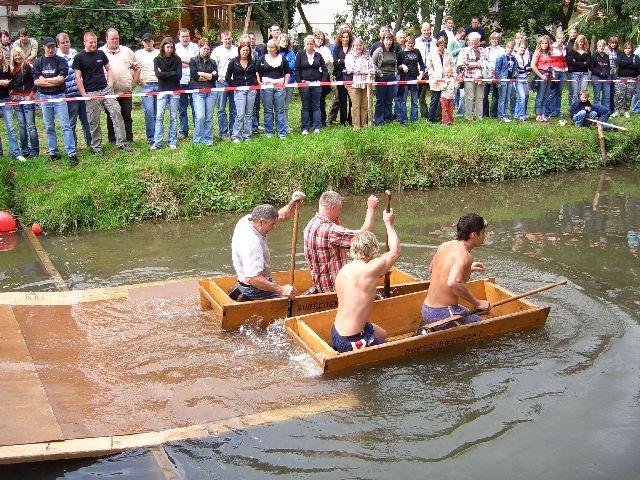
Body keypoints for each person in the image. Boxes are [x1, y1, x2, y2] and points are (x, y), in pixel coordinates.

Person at [331, 208, 399, 353]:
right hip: (352, 340)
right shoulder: (370, 270)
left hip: (336, 333)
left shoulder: (344, 270)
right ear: (373, 249)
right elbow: (394, 252)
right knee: (392, 352)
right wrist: (388, 223)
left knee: (383, 334)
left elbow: (359, 287)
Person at [420, 213, 490, 332]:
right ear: (473, 235)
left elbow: (431, 268)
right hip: (443, 314)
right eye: (483, 233)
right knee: (487, 328)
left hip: (427, 309)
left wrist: (467, 268)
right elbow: (453, 283)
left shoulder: (445, 245)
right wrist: (478, 302)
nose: (484, 237)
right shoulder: (465, 255)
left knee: (470, 313)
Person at [231, 191, 305, 301]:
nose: (274, 227)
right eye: (272, 224)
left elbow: (281, 216)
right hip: (254, 289)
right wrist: (281, 289)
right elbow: (252, 278)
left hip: (251, 282)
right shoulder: (252, 243)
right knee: (290, 300)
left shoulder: (248, 219)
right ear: (261, 222)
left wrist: (292, 203)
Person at [304, 191, 379, 294]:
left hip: (320, 284)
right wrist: (371, 208)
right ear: (333, 208)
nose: (339, 212)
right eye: (339, 209)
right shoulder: (332, 231)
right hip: (334, 288)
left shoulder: (310, 224)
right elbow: (364, 235)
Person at [73, 31, 133, 155]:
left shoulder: (100, 53)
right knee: (94, 121)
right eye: (91, 42)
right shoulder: (79, 57)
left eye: (95, 42)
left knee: (117, 112)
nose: (93, 44)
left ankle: (122, 142)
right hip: (91, 93)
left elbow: (108, 69)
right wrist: (84, 94)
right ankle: (97, 147)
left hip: (106, 90)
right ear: (84, 42)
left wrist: (109, 84)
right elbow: (78, 77)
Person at [34, 37, 78, 166]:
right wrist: (53, 80)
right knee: (49, 126)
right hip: (44, 97)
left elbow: (61, 80)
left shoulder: (61, 60)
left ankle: (71, 153)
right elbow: (36, 82)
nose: (51, 49)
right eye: (48, 47)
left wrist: (45, 80)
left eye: (53, 46)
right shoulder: (38, 62)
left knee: (65, 125)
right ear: (44, 47)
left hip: (59, 95)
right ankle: (53, 152)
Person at [100, 28, 138, 144]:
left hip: (125, 90)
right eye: (112, 39)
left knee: (126, 115)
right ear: (106, 39)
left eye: (117, 38)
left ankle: (128, 138)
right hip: (109, 92)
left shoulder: (127, 51)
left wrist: (134, 83)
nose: (115, 40)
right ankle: (113, 139)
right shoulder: (100, 52)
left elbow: (136, 67)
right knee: (111, 115)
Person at [57, 32, 91, 149]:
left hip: (81, 92)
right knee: (71, 122)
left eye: (67, 42)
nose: (66, 44)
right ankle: (73, 146)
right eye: (63, 43)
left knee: (86, 121)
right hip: (68, 95)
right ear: (58, 45)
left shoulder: (76, 53)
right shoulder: (57, 57)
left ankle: (91, 144)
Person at [152, 37, 181, 150]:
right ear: (163, 47)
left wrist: (164, 73)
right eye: (168, 47)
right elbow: (158, 75)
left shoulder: (177, 59)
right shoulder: (157, 59)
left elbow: (179, 76)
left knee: (173, 116)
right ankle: (158, 142)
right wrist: (172, 73)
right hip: (162, 90)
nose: (170, 49)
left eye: (171, 47)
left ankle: (172, 141)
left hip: (175, 90)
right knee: (159, 116)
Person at [256, 39, 290, 139]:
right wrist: (259, 81)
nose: (269, 49)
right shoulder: (262, 58)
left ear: (276, 48)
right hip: (266, 87)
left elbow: (287, 72)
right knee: (268, 110)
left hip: (279, 86)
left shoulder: (282, 58)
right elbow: (257, 71)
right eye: (268, 47)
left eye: (272, 47)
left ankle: (281, 133)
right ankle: (269, 133)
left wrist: (285, 83)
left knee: (280, 110)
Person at [9, 46, 39, 158]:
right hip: (17, 100)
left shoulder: (28, 66)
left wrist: (31, 95)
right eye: (15, 55)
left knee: (31, 125)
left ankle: (35, 150)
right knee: (21, 125)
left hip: (27, 99)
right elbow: (12, 85)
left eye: (19, 55)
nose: (17, 57)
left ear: (22, 54)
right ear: (13, 57)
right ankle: (25, 149)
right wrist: (11, 93)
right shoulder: (11, 69)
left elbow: (36, 82)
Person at [295, 35, 327, 134]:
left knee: (316, 106)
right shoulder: (300, 54)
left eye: (311, 44)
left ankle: (317, 126)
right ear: (305, 44)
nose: (309, 45)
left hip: (316, 84)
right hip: (304, 85)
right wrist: (299, 82)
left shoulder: (318, 55)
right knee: (305, 106)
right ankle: (305, 127)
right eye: (307, 44)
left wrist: (322, 82)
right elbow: (297, 69)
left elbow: (325, 70)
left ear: (314, 45)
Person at [227, 42, 258, 142]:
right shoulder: (233, 62)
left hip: (251, 90)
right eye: (243, 50)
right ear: (239, 50)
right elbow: (228, 77)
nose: (245, 52)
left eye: (247, 50)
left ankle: (247, 135)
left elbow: (256, 75)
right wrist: (235, 85)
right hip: (239, 91)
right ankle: (236, 135)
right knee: (240, 114)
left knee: (249, 114)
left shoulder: (252, 62)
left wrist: (254, 83)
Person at [190, 38, 217, 146]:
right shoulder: (193, 60)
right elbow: (194, 76)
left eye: (208, 49)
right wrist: (208, 76)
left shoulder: (213, 62)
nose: (206, 51)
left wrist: (202, 73)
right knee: (200, 116)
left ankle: (208, 139)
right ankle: (197, 140)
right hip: (198, 92)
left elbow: (214, 77)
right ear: (199, 48)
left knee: (209, 117)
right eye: (204, 48)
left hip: (211, 92)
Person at [212, 31, 238, 140]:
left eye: (229, 39)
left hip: (233, 82)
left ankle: (233, 131)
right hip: (221, 82)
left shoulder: (236, 50)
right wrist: (219, 78)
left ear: (232, 39)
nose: (227, 41)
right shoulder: (216, 51)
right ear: (221, 39)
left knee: (234, 109)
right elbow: (213, 67)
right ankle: (223, 132)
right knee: (221, 108)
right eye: (225, 39)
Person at [344, 37, 374, 130]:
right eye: (356, 45)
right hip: (353, 84)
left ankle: (363, 124)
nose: (358, 47)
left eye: (360, 45)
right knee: (356, 105)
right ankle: (356, 126)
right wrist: (363, 71)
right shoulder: (349, 56)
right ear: (353, 46)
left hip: (366, 84)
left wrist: (369, 71)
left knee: (364, 104)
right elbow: (349, 68)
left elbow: (372, 68)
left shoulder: (367, 56)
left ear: (363, 46)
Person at [134, 33, 159, 145]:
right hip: (146, 85)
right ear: (142, 42)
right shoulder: (138, 54)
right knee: (149, 111)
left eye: (149, 41)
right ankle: (151, 137)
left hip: (159, 84)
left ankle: (158, 135)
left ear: (153, 41)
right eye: (145, 41)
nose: (147, 43)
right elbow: (133, 69)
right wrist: (140, 81)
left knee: (158, 112)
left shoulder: (159, 52)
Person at [457, 32, 487, 121]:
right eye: (472, 41)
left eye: (476, 41)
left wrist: (475, 64)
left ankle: (479, 117)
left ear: (479, 41)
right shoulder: (464, 50)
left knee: (480, 98)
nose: (474, 43)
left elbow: (486, 62)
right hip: (469, 77)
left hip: (480, 77)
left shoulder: (483, 50)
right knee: (469, 97)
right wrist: (477, 64)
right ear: (469, 41)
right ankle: (469, 116)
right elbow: (462, 63)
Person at [175, 28, 199, 139]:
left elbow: (196, 62)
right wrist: (189, 63)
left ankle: (197, 129)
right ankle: (183, 131)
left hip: (194, 81)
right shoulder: (175, 47)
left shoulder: (195, 47)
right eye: (183, 36)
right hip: (181, 81)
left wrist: (183, 62)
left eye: (187, 36)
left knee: (196, 107)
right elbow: (175, 63)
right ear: (179, 37)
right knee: (182, 108)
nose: (185, 38)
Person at [396, 35, 425, 126]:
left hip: (415, 78)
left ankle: (414, 120)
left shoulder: (417, 51)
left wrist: (421, 75)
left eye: (412, 43)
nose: (410, 45)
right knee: (403, 100)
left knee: (415, 100)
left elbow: (422, 65)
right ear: (405, 43)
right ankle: (403, 120)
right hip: (404, 78)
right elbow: (397, 66)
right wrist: (402, 66)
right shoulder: (401, 53)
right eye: (409, 43)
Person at [0, 51, 23, 161]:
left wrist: (7, 83)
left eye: (0, 53)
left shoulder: (7, 67)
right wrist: (2, 82)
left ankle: (16, 153)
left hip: (5, 98)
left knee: (10, 127)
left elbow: (11, 83)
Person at [372, 32, 397, 125]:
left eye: (390, 40)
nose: (389, 42)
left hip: (391, 78)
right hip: (381, 78)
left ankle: (387, 118)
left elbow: (395, 63)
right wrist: (379, 72)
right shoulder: (379, 50)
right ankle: (378, 120)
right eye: (387, 39)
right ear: (383, 40)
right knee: (380, 100)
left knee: (389, 100)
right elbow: (372, 63)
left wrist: (395, 72)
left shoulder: (393, 51)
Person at [426, 36, 452, 123]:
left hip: (445, 80)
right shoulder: (431, 53)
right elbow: (429, 67)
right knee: (435, 99)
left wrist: (450, 75)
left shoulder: (449, 53)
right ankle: (431, 118)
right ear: (437, 44)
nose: (442, 45)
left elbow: (452, 65)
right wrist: (434, 76)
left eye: (444, 44)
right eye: (440, 44)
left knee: (444, 100)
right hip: (435, 80)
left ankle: (441, 118)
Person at [331, 29, 353, 126]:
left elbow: (353, 63)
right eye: (343, 37)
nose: (345, 39)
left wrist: (341, 61)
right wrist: (345, 62)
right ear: (340, 38)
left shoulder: (352, 48)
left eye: (347, 37)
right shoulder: (337, 49)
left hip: (351, 76)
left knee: (352, 98)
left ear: (349, 38)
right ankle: (343, 120)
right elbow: (335, 63)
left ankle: (351, 119)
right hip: (340, 76)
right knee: (342, 99)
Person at [531, 35, 554, 122]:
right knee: (540, 96)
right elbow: (533, 66)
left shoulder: (549, 53)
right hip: (541, 75)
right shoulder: (537, 53)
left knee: (546, 96)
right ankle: (538, 114)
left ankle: (543, 113)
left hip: (549, 76)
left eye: (546, 43)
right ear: (540, 44)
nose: (544, 45)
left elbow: (551, 65)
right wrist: (541, 76)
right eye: (542, 43)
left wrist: (553, 73)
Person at [415, 23, 436, 118]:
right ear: (421, 30)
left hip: (432, 71)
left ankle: (432, 113)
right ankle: (424, 114)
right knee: (421, 94)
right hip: (421, 71)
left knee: (434, 93)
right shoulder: (416, 41)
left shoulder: (435, 41)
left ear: (430, 30)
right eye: (424, 30)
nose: (426, 32)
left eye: (428, 30)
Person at [483, 32, 505, 118]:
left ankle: (493, 113)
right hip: (487, 74)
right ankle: (485, 113)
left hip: (497, 74)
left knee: (495, 95)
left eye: (496, 39)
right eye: (492, 39)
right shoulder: (486, 50)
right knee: (484, 95)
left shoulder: (502, 50)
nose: (494, 40)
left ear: (498, 40)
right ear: (490, 39)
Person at [314, 30, 333, 126]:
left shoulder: (325, 49)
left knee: (321, 99)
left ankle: (322, 120)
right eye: (318, 38)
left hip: (323, 75)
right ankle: (312, 120)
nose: (320, 40)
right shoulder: (310, 47)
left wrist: (320, 63)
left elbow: (330, 60)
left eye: (322, 39)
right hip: (311, 76)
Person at [614, 42, 639, 118]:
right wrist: (631, 63)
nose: (627, 50)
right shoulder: (620, 55)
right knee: (619, 95)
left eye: (629, 48)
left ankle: (626, 111)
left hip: (632, 79)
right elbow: (619, 64)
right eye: (626, 48)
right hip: (621, 79)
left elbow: (637, 66)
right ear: (623, 49)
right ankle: (617, 111)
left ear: (631, 49)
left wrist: (625, 65)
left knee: (629, 96)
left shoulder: (635, 56)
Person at [494, 40, 517, 122]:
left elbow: (514, 69)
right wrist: (498, 79)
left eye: (512, 48)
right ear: (506, 48)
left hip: (510, 79)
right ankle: (501, 116)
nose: (510, 49)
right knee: (502, 98)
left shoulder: (513, 58)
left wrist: (514, 76)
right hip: (503, 79)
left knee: (507, 98)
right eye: (509, 48)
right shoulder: (501, 57)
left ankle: (505, 114)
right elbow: (497, 68)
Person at [566, 34, 590, 107]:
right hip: (574, 74)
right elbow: (572, 63)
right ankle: (573, 109)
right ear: (577, 42)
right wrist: (583, 63)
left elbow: (588, 63)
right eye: (579, 41)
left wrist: (578, 63)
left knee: (583, 93)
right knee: (574, 93)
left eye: (582, 41)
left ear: (584, 42)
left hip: (585, 74)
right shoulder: (573, 51)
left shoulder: (587, 51)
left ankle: (582, 108)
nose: (581, 43)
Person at [279, 34, 296, 134]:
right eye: (283, 41)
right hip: (278, 82)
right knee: (278, 106)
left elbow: (291, 66)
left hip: (290, 82)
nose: (285, 43)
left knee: (285, 105)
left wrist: (281, 66)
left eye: (286, 41)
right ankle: (279, 125)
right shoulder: (275, 52)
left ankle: (285, 125)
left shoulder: (291, 53)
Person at [548, 32, 568, 119]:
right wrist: (551, 72)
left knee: (559, 92)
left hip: (562, 71)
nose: (560, 40)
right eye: (559, 38)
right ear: (556, 38)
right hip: (554, 71)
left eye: (562, 38)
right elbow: (549, 60)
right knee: (552, 92)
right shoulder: (552, 47)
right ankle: (550, 110)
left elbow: (565, 60)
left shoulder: (564, 48)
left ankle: (557, 110)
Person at [590, 39, 611, 108]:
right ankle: (597, 110)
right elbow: (592, 68)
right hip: (596, 77)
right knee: (597, 96)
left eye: (603, 46)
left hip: (606, 77)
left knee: (607, 96)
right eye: (600, 46)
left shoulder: (607, 56)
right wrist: (600, 73)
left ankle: (606, 110)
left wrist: (607, 73)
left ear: (605, 47)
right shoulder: (594, 56)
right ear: (597, 46)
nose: (601, 47)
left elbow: (608, 67)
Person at [514, 43, 531, 123]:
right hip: (518, 79)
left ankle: (517, 113)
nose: (523, 49)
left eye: (524, 48)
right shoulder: (515, 57)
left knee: (526, 96)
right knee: (522, 97)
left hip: (525, 78)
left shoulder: (527, 57)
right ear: (518, 48)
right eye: (521, 47)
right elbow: (516, 69)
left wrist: (524, 68)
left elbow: (529, 69)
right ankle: (521, 116)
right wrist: (524, 68)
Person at [605, 37, 619, 116]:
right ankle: (606, 108)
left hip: (614, 73)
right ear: (609, 43)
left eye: (615, 43)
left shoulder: (616, 51)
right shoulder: (605, 49)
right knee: (607, 91)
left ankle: (612, 108)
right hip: (607, 73)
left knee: (612, 91)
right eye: (612, 43)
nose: (613, 44)